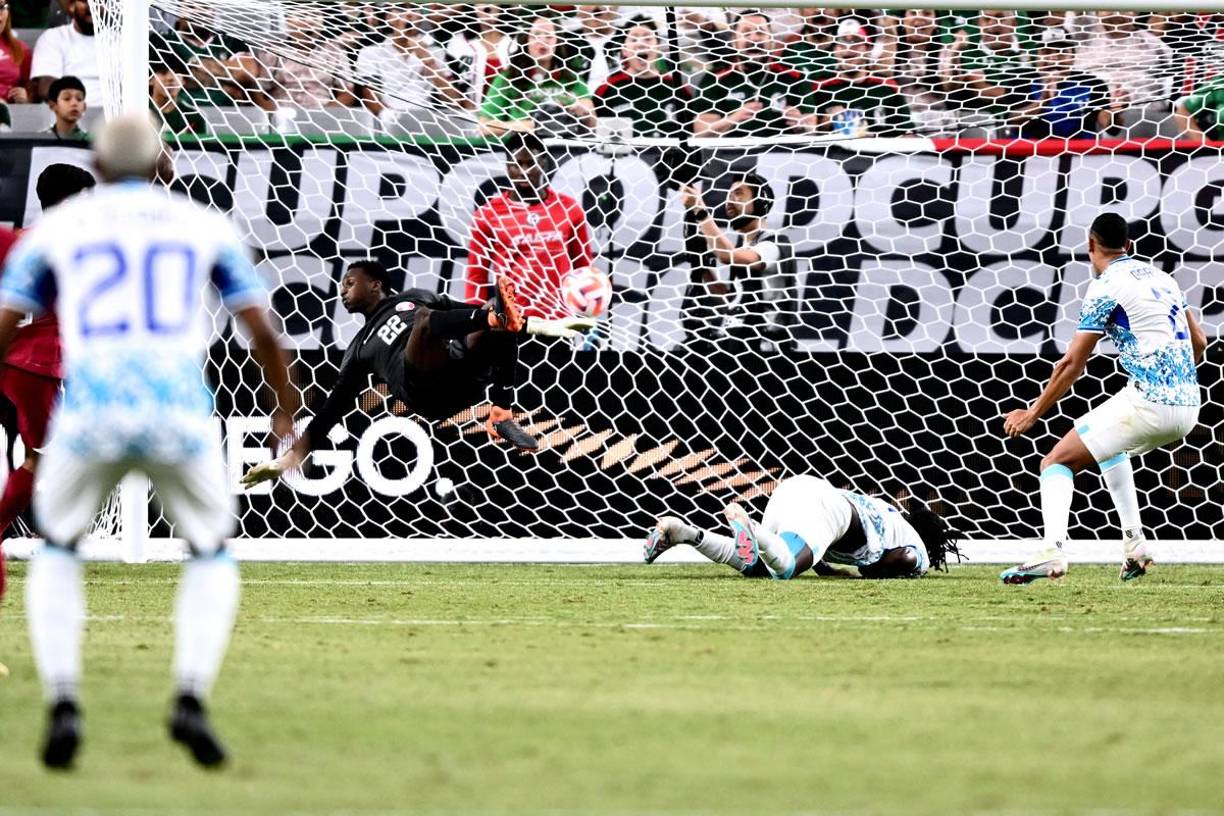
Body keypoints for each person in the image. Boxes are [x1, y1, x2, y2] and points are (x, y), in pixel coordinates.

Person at [0, 113, 297, 769]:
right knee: (210, 550)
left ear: (97, 170)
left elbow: (7, 318)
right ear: (162, 167)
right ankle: (190, 695)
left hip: (92, 407)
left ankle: (64, 701)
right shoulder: (201, 225)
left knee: (57, 546)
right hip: (176, 409)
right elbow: (262, 331)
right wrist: (284, 412)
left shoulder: (61, 230)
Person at [1001, 213, 1206, 584]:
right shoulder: (1164, 278)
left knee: (1056, 462)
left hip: (1150, 403)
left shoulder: (1105, 285)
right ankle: (1135, 545)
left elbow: (1071, 364)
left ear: (1090, 245)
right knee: (1110, 447)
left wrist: (1032, 413)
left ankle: (1052, 552)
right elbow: (1200, 343)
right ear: (1129, 246)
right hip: (1189, 404)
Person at [239, 260, 592, 474]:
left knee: (489, 311)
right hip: (423, 391)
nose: (342, 291)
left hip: (461, 375)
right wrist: (288, 460)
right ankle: (503, 322)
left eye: (349, 282)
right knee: (443, 319)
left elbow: (467, 317)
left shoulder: (415, 297)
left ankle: (500, 414)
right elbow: (330, 413)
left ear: (375, 284)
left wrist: (528, 322)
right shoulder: (359, 348)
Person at [0, 163, 95, 604]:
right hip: (40, 364)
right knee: (42, 459)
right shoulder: (77, 246)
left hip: (11, 358)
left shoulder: (14, 240)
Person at [644, 475, 962, 580]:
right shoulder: (916, 544)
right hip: (829, 511)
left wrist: (826, 568)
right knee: (785, 569)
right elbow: (905, 559)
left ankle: (683, 533)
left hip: (798, 489)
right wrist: (871, 571)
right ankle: (750, 526)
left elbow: (833, 543)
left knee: (758, 566)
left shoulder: (887, 513)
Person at [465, 132, 595, 320]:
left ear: (543, 164)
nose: (524, 171)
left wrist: (587, 314)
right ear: (508, 167)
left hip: (558, 320)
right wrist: (472, 320)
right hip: (510, 321)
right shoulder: (487, 215)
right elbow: (476, 276)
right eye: (517, 164)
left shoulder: (568, 209)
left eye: (530, 163)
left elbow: (583, 267)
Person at [679, 173, 794, 346]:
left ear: (760, 202)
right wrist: (700, 264)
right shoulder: (744, 251)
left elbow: (727, 256)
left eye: (738, 193)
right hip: (739, 344)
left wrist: (701, 212)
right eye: (729, 194)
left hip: (765, 350)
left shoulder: (775, 244)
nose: (730, 200)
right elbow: (730, 303)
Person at [690, 12, 817, 138]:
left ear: (771, 40)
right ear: (734, 40)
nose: (754, 38)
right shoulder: (715, 78)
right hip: (731, 154)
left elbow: (812, 126)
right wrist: (734, 119)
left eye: (761, 32)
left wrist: (801, 124)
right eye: (746, 33)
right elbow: (701, 132)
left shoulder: (794, 76)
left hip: (783, 153)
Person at [479, 14, 594, 136]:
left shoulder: (572, 78)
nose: (542, 41)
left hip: (564, 148)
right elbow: (484, 127)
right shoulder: (508, 78)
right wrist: (532, 125)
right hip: (521, 148)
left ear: (558, 42)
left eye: (549, 36)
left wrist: (586, 113)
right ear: (525, 41)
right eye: (536, 35)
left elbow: (593, 125)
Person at [356, 4, 469, 122]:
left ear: (421, 16)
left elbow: (453, 100)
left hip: (427, 121)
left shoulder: (436, 52)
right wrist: (393, 119)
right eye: (401, 9)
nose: (408, 14)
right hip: (386, 120)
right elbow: (370, 97)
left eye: (414, 8)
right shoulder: (370, 53)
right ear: (389, 17)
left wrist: (427, 60)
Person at [808, 19, 914, 137]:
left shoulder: (887, 87)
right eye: (842, 42)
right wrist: (825, 123)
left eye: (856, 42)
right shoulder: (819, 87)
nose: (848, 48)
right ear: (834, 50)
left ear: (868, 49)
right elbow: (805, 132)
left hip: (880, 153)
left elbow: (907, 133)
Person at [593, 23, 692, 138]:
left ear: (658, 47)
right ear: (624, 50)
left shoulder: (677, 88)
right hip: (627, 155)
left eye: (648, 38)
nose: (640, 44)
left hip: (671, 154)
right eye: (634, 39)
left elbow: (691, 133)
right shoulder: (608, 90)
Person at [1011, 37, 1117, 139]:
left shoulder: (1092, 83)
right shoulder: (1021, 81)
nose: (1054, 58)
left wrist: (1116, 112)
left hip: (1082, 153)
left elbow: (1112, 129)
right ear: (1036, 57)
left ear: (1073, 57)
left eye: (1061, 52)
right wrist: (1042, 102)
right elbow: (1012, 121)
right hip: (1030, 152)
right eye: (1046, 52)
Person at [30, 0, 98, 102]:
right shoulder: (53, 37)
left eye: (99, 1)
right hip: (70, 113)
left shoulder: (123, 41)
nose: (91, 6)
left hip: (118, 115)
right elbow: (45, 89)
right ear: (71, 6)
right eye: (85, 1)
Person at [0, 0, 32, 104]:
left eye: (1, 7)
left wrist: (26, 96)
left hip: (12, 115)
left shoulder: (20, 48)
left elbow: (33, 91)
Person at [45, 74, 86, 140]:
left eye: (79, 99)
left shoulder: (91, 142)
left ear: (84, 107)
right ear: (52, 105)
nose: (74, 103)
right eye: (67, 98)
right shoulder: (41, 139)